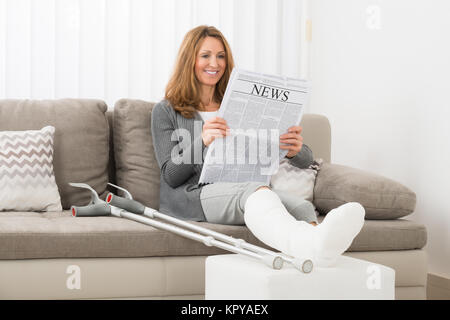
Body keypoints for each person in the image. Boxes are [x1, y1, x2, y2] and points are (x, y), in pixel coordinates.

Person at [151, 25, 365, 267]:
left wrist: (295, 150)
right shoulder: (166, 110)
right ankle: (311, 247)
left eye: (221, 56)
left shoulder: (235, 104)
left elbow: (307, 161)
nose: (215, 63)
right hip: (192, 195)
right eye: (205, 55)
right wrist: (201, 140)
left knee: (302, 207)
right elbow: (170, 175)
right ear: (190, 60)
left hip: (240, 186)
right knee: (257, 191)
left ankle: (318, 251)